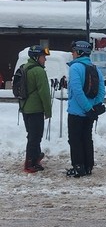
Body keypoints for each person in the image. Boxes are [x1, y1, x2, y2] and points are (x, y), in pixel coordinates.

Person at [66, 41, 105, 178]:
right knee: (87, 138)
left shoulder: (75, 68)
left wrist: (87, 108)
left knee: (75, 139)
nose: (72, 53)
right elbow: (102, 90)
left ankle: (78, 167)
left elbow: (76, 91)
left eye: (74, 51)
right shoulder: (95, 68)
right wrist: (94, 107)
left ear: (79, 52)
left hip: (77, 111)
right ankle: (88, 166)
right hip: (90, 112)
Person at [21, 45, 52, 173]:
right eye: (43, 57)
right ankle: (29, 163)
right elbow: (44, 93)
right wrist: (48, 111)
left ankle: (35, 157)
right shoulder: (39, 71)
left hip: (25, 108)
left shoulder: (24, 67)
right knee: (35, 137)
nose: (45, 59)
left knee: (32, 135)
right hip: (35, 109)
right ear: (36, 57)